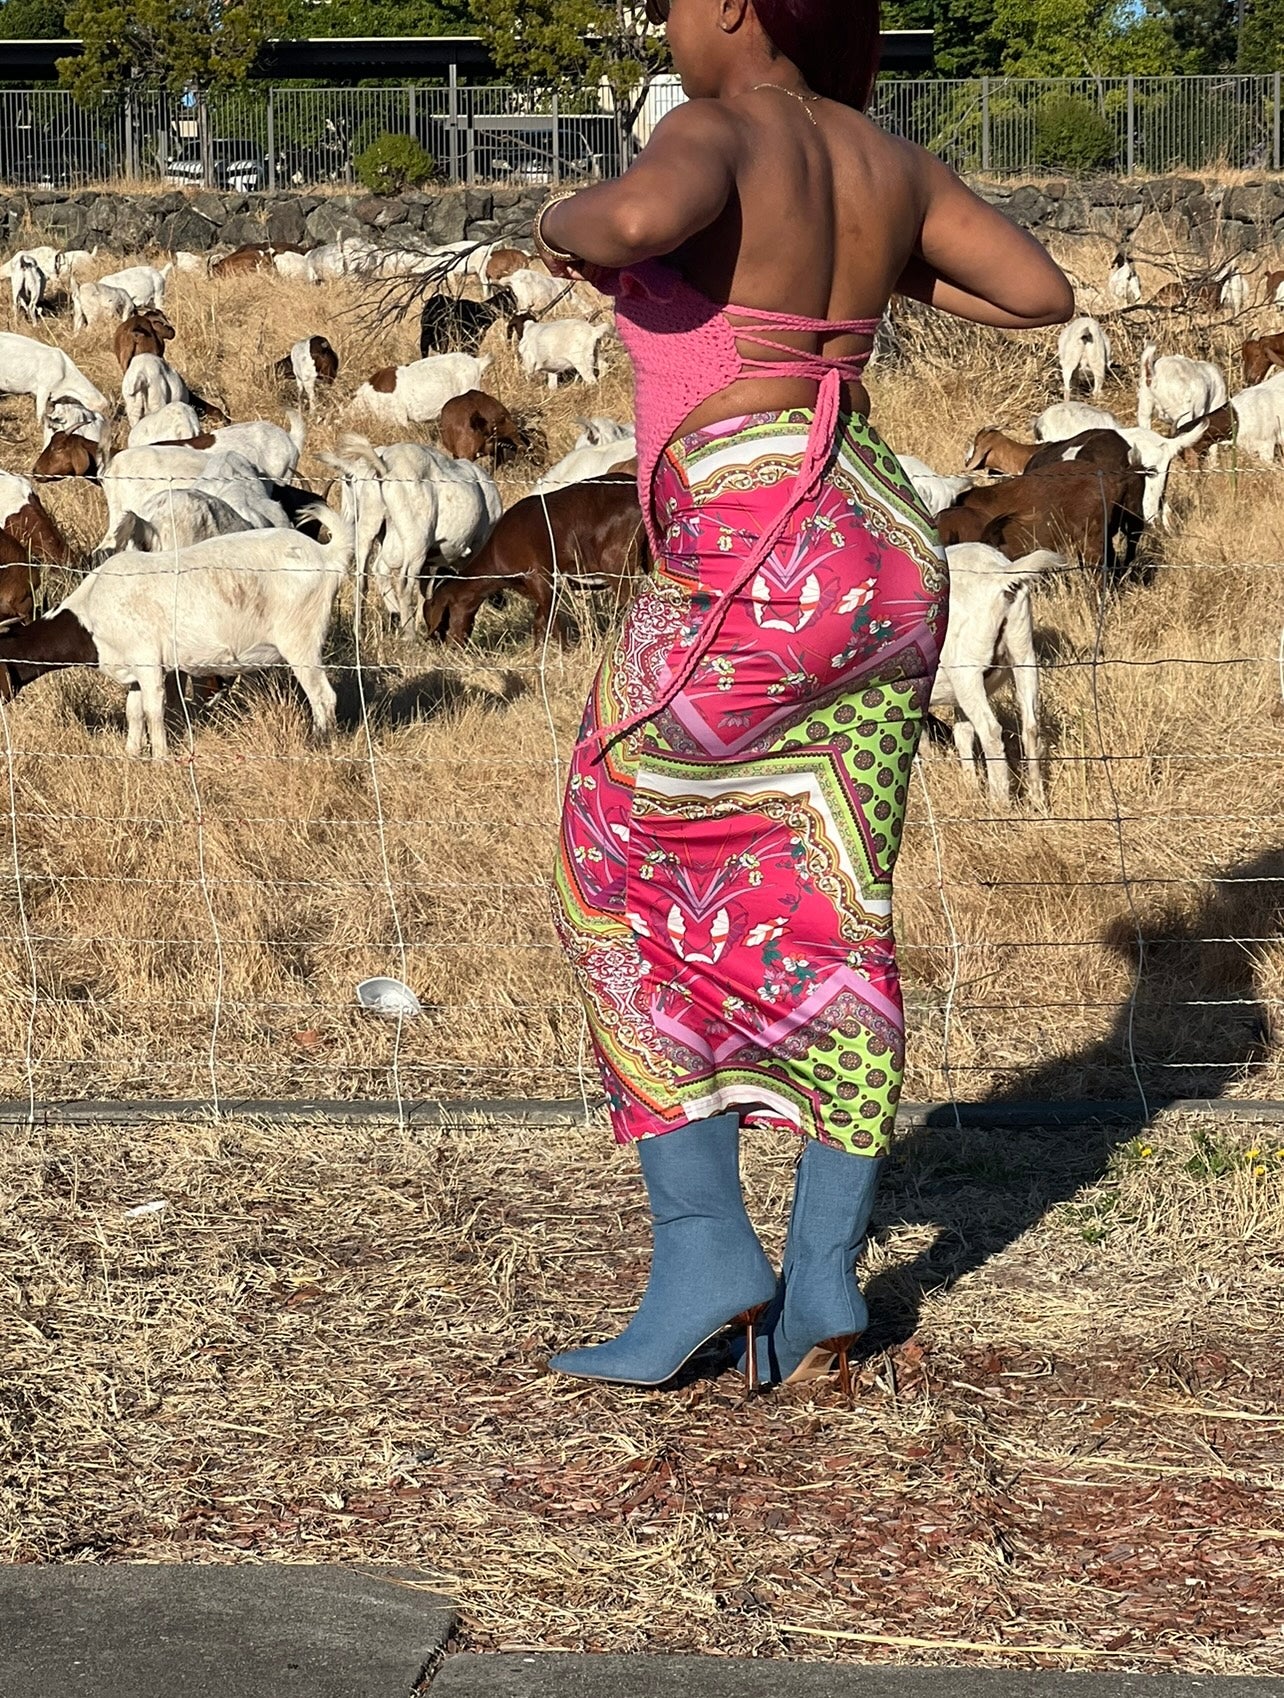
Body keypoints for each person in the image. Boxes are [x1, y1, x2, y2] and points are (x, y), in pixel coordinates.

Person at [538, 0, 1075, 1394]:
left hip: (755, 531)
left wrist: (558, 213)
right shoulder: (882, 159)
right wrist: (878, 275)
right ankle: (827, 1273)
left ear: (728, 6)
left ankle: (707, 1245)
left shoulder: (715, 131)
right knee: (836, 884)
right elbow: (1037, 289)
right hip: (888, 545)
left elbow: (632, 221)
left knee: (611, 856)